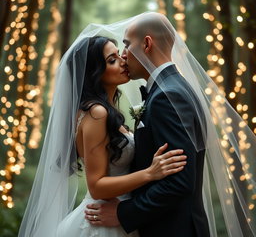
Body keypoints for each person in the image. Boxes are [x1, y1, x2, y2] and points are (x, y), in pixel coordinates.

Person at [85, 12, 256, 237]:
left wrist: (123, 213)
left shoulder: (167, 96)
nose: (124, 55)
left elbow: (180, 182)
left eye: (126, 46)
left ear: (146, 44)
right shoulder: (173, 88)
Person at [18, 35, 187, 237]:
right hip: (102, 222)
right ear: (94, 73)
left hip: (119, 215)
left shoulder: (105, 111)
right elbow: (97, 186)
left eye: (119, 55)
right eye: (112, 60)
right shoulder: (97, 113)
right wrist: (150, 173)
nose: (123, 61)